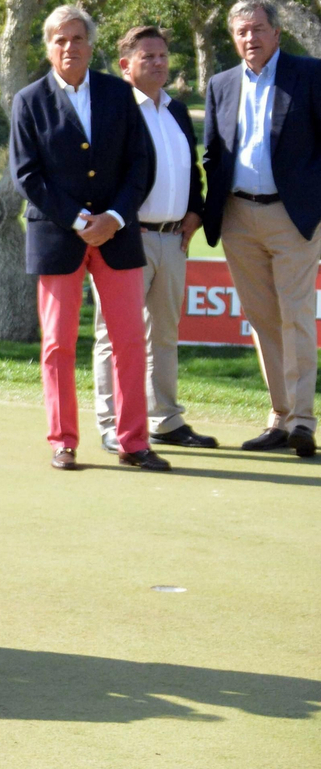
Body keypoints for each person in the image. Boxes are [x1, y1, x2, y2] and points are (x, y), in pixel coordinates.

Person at [10, 6, 168, 472]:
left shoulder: (119, 95)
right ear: (47, 46)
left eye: (77, 39)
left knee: (128, 341)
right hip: (58, 237)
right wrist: (81, 221)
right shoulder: (29, 100)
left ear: (90, 45)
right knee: (58, 344)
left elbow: (141, 164)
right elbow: (27, 174)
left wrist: (115, 218)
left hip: (118, 237)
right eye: (59, 40)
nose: (68, 48)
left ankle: (133, 442)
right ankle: (63, 440)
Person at [201, 0, 321, 460]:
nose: (250, 38)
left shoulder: (308, 75)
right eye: (241, 32)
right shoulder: (220, 84)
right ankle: (279, 417)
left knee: (296, 316)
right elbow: (213, 152)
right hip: (237, 216)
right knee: (263, 320)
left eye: (258, 29)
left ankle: (304, 421)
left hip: (292, 217)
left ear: (276, 33)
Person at [90, 26, 217, 453]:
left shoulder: (177, 110)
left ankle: (164, 418)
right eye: (148, 56)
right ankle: (111, 422)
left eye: (163, 55)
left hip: (172, 239)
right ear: (125, 65)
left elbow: (190, 171)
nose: (159, 63)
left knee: (163, 333)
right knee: (115, 335)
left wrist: (195, 211)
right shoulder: (113, 108)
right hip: (128, 238)